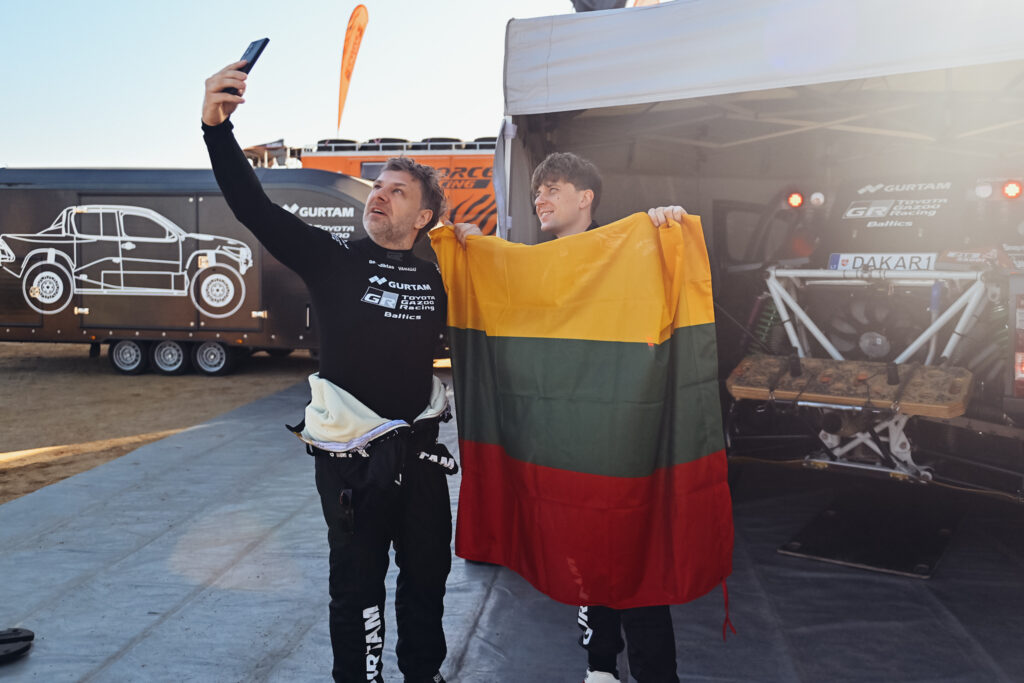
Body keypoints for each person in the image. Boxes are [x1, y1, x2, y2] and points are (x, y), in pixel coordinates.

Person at [202, 60, 452, 683]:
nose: (379, 194)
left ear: (423, 218)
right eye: (378, 185)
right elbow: (253, 207)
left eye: (398, 191)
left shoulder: (442, 273)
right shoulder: (334, 258)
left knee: (427, 583)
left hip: (421, 457)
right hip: (352, 464)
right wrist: (216, 130)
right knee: (358, 591)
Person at [453, 152, 686, 683]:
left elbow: (674, 288)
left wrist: (667, 227)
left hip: (622, 441)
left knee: (635, 562)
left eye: (552, 189)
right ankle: (600, 666)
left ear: (586, 198)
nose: (540, 198)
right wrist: (472, 247)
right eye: (537, 191)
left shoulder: (632, 248)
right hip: (564, 446)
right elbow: (498, 298)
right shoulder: (533, 267)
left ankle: (655, 675)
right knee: (585, 555)